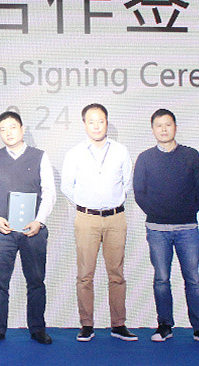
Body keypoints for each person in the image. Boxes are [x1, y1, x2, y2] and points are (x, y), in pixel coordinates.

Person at [132, 109, 199, 345]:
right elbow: (139, 192)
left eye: (168, 124)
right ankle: (164, 326)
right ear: (153, 130)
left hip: (187, 228)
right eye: (159, 125)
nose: (164, 129)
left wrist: (185, 212)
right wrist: (158, 213)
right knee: (161, 279)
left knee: (193, 279)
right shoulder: (145, 158)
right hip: (157, 229)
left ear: (175, 127)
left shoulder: (191, 155)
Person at [61, 103, 137, 342]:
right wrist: (87, 204)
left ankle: (118, 324)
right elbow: (66, 186)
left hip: (116, 218)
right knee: (85, 274)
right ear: (84, 124)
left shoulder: (120, 151)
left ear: (107, 123)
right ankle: (86, 324)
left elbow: (127, 183)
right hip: (87, 219)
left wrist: (111, 201)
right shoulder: (74, 153)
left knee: (117, 273)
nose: (96, 126)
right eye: (91, 121)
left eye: (101, 121)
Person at [0, 111, 55, 345]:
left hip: (33, 230)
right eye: (3, 129)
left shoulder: (40, 156)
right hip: (2, 230)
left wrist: (39, 220)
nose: (8, 133)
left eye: (12, 127)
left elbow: (49, 192)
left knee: (36, 282)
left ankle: (37, 329)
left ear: (22, 129)